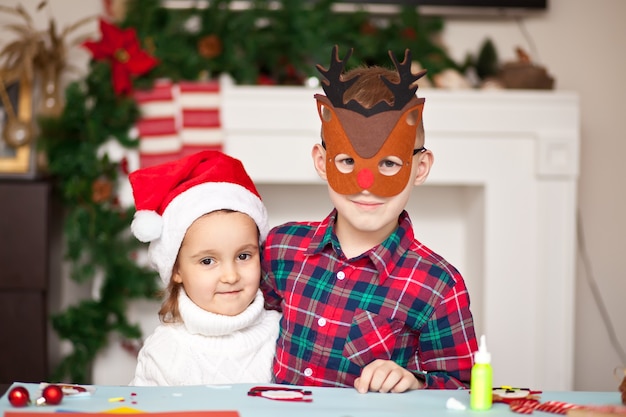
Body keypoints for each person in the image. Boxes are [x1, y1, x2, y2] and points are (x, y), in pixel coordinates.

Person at [260, 46, 478, 393]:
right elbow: (242, 326)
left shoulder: (439, 286)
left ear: (419, 168)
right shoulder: (280, 248)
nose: (366, 186)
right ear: (321, 161)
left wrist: (415, 383)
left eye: (389, 164)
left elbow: (464, 388)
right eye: (347, 162)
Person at [127, 150, 280, 386]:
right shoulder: (164, 351)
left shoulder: (285, 334)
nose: (230, 276)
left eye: (243, 255)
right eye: (208, 261)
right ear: (176, 269)